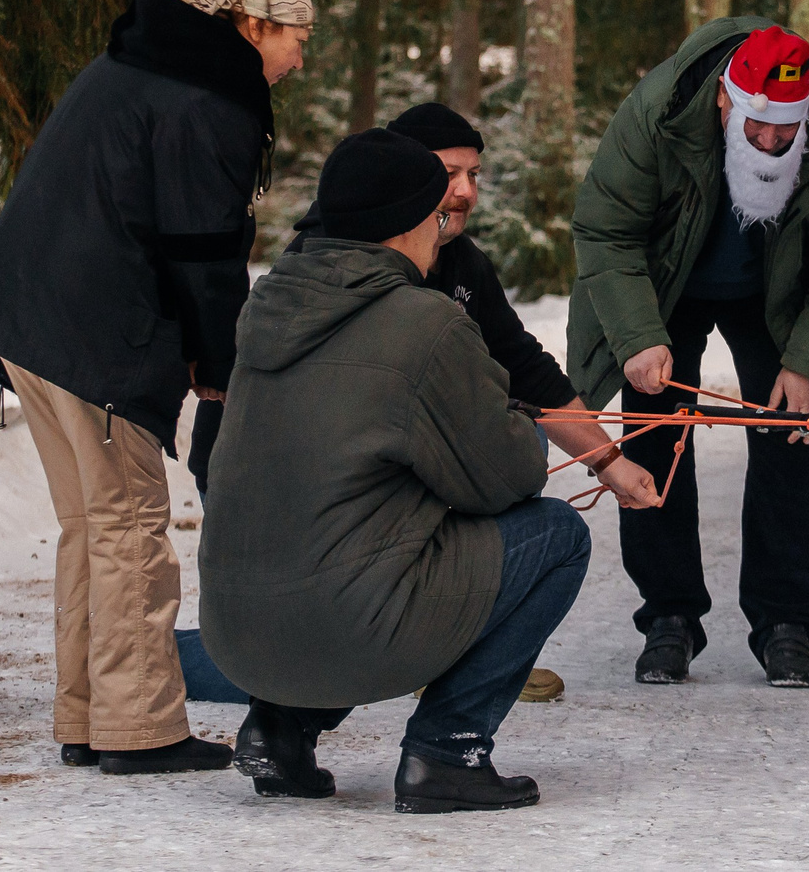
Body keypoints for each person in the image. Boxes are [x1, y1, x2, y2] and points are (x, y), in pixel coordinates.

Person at [0, 0, 312, 776]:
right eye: (295, 37)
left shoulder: (150, 66)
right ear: (252, 25)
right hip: (90, 333)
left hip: (32, 320)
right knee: (133, 528)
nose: (299, 58)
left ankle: (88, 715)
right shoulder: (206, 96)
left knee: (93, 527)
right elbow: (202, 251)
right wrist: (218, 361)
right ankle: (139, 728)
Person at [199, 130, 591, 813]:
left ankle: (280, 728)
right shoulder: (424, 321)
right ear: (407, 223)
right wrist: (501, 412)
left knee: (359, 533)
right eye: (438, 215)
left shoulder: (268, 304)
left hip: (237, 632)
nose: (443, 232)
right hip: (344, 623)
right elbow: (512, 476)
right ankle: (449, 749)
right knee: (556, 535)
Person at [569, 20, 809, 689]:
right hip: (667, 283)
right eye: (758, 126)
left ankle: (784, 619)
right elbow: (606, 227)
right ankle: (669, 614)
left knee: (794, 433)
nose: (772, 141)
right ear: (724, 100)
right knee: (655, 433)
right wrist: (635, 334)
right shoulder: (655, 114)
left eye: (785, 130)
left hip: (774, 288)